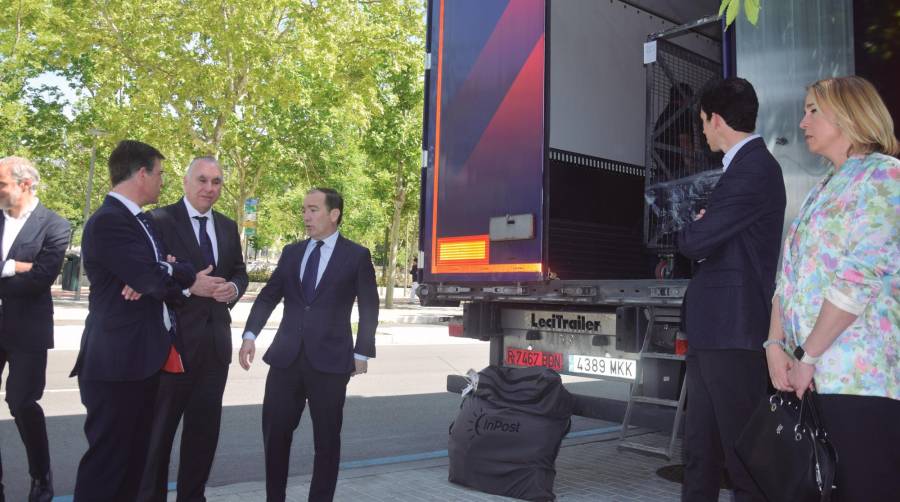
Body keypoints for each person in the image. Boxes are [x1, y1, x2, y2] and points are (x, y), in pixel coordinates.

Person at [765, 76, 899, 502]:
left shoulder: (885, 176)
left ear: (850, 114)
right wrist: (774, 344)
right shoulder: (822, 187)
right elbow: (787, 278)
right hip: (813, 376)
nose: (802, 120)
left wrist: (807, 355)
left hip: (860, 379)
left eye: (813, 110)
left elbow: (858, 279)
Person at [70, 140, 200, 501]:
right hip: (116, 363)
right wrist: (165, 275)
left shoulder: (139, 221)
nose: (163, 182)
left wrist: (166, 270)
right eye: (159, 174)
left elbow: (169, 271)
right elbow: (153, 280)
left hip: (142, 361)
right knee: (108, 466)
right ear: (141, 174)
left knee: (134, 464)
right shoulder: (110, 221)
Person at [676, 78, 786, 502]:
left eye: (702, 121)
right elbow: (715, 236)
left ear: (716, 120)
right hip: (717, 330)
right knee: (700, 452)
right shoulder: (742, 169)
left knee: (745, 459)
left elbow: (694, 242)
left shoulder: (754, 167)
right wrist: (707, 226)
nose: (702, 131)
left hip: (734, 331)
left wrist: (700, 227)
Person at [239, 187, 378, 502]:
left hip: (331, 363)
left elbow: (370, 307)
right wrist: (250, 335)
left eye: (313, 209)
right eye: (304, 210)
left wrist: (362, 351)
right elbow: (270, 295)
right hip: (285, 360)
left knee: (326, 442)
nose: (306, 216)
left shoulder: (356, 255)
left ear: (334, 214)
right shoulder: (292, 253)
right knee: (275, 437)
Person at [137, 157, 248, 502]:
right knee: (158, 438)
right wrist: (188, 286)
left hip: (215, 350)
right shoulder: (158, 221)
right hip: (170, 349)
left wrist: (233, 289)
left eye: (216, 182)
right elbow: (148, 276)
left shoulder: (229, 227)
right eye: (202, 180)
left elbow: (240, 272)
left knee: (203, 437)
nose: (209, 189)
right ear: (185, 182)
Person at [0, 157, 70, 502]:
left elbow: (41, 278)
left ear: (24, 184)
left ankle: (41, 477)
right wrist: (13, 266)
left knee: (22, 401)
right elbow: (27, 273)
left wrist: (13, 271)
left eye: (2, 184)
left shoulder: (55, 226)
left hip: (27, 327)